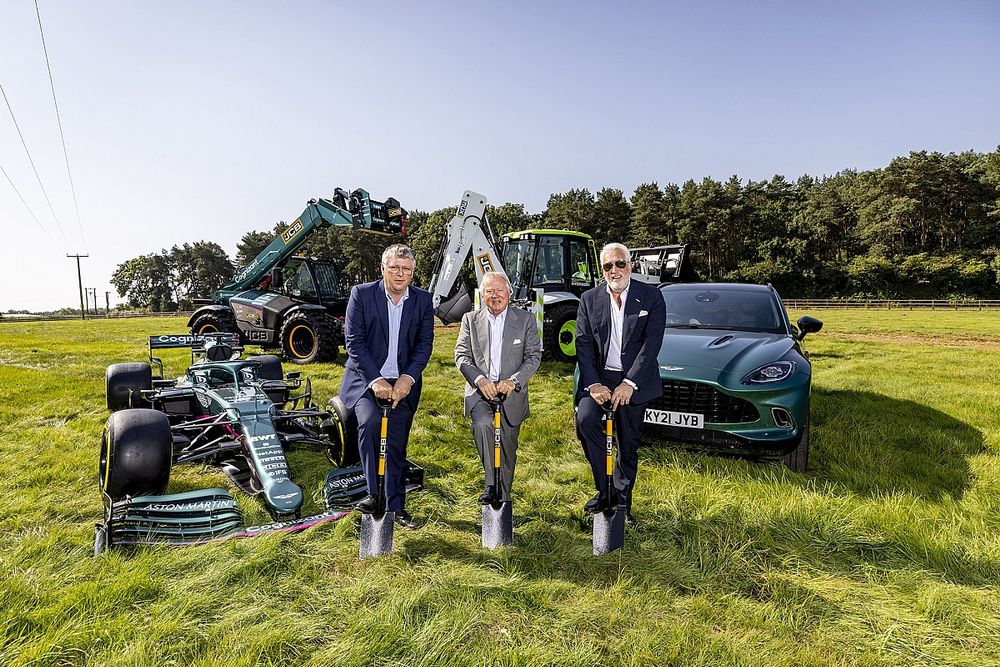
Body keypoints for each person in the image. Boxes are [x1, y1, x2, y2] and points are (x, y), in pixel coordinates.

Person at [339, 244, 434, 529]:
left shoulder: (422, 300)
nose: (400, 274)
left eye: (406, 269)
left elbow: (424, 345)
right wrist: (376, 380)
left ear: (413, 273)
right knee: (369, 427)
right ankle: (373, 496)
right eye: (394, 268)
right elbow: (354, 342)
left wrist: (407, 378)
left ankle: (396, 505)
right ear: (383, 269)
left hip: (404, 382)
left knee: (395, 441)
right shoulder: (362, 295)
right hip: (367, 381)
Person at [575, 242, 666, 525]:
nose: (614, 270)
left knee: (627, 444)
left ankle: (622, 504)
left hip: (634, 381)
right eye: (608, 266)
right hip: (601, 379)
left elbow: (652, 345)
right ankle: (606, 491)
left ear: (631, 265)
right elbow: (584, 344)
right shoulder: (588, 300)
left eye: (620, 264)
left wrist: (630, 383)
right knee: (586, 421)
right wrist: (592, 384)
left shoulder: (651, 297)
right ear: (602, 270)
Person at [455, 272, 542, 504]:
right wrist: (480, 381)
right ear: (482, 296)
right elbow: (461, 355)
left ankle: (503, 499)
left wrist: (513, 381)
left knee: (507, 448)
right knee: (483, 426)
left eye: (500, 291)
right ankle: (492, 485)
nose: (495, 296)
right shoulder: (470, 320)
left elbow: (533, 357)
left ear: (509, 293)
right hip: (480, 392)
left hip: (511, 393)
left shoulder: (525, 320)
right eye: (489, 292)